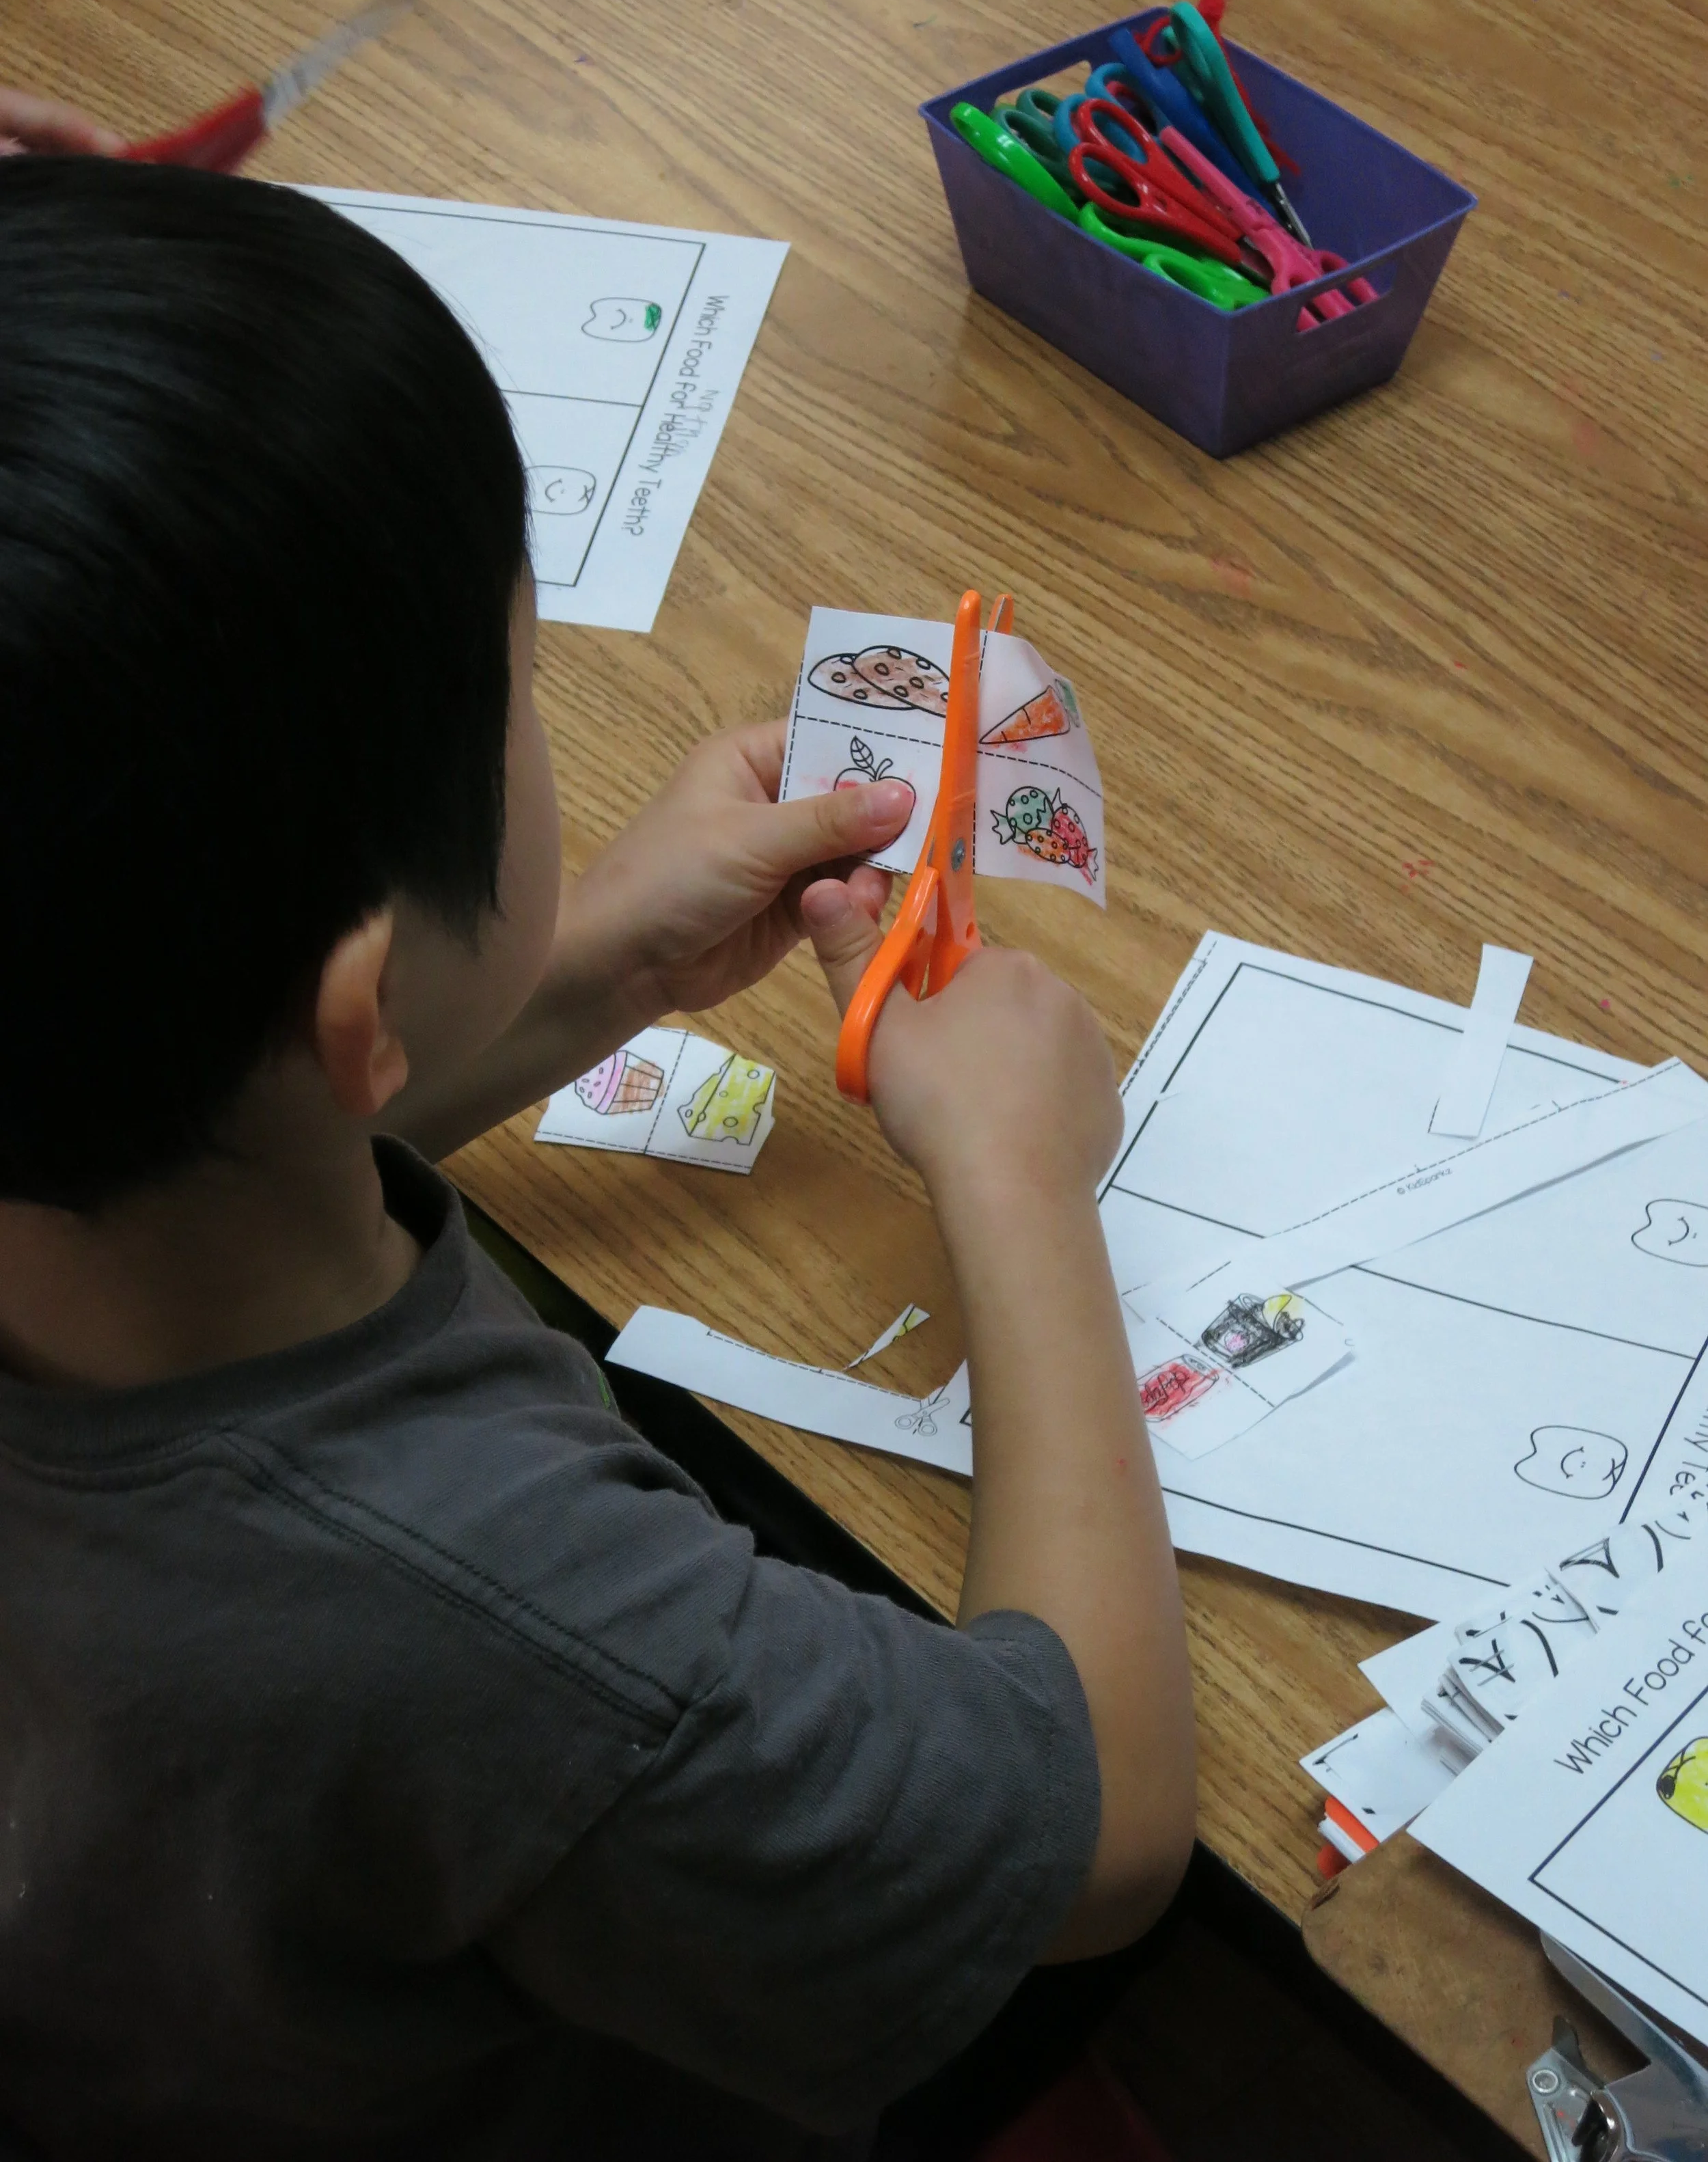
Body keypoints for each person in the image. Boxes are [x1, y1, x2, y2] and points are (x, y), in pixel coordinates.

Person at [0, 156, 1194, 2161]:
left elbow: (178, 1138)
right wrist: (1015, 1176)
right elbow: (1093, 1829)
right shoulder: (495, 1621)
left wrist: (566, 978)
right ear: (355, 997)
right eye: (523, 695)